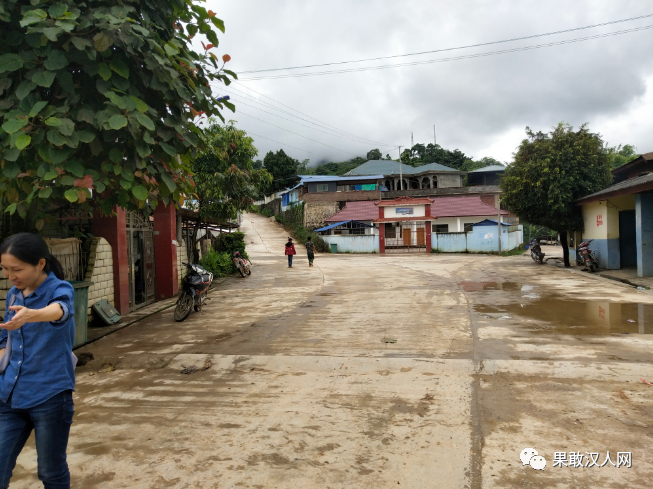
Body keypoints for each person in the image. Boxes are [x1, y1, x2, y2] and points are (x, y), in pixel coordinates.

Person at [0, 233, 76, 489]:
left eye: (17, 269)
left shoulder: (59, 289)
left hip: (50, 395)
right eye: (5, 269)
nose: (11, 275)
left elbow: (61, 310)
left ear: (40, 264)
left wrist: (33, 314)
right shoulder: (13, 294)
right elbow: (4, 340)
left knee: (50, 472)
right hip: (9, 396)